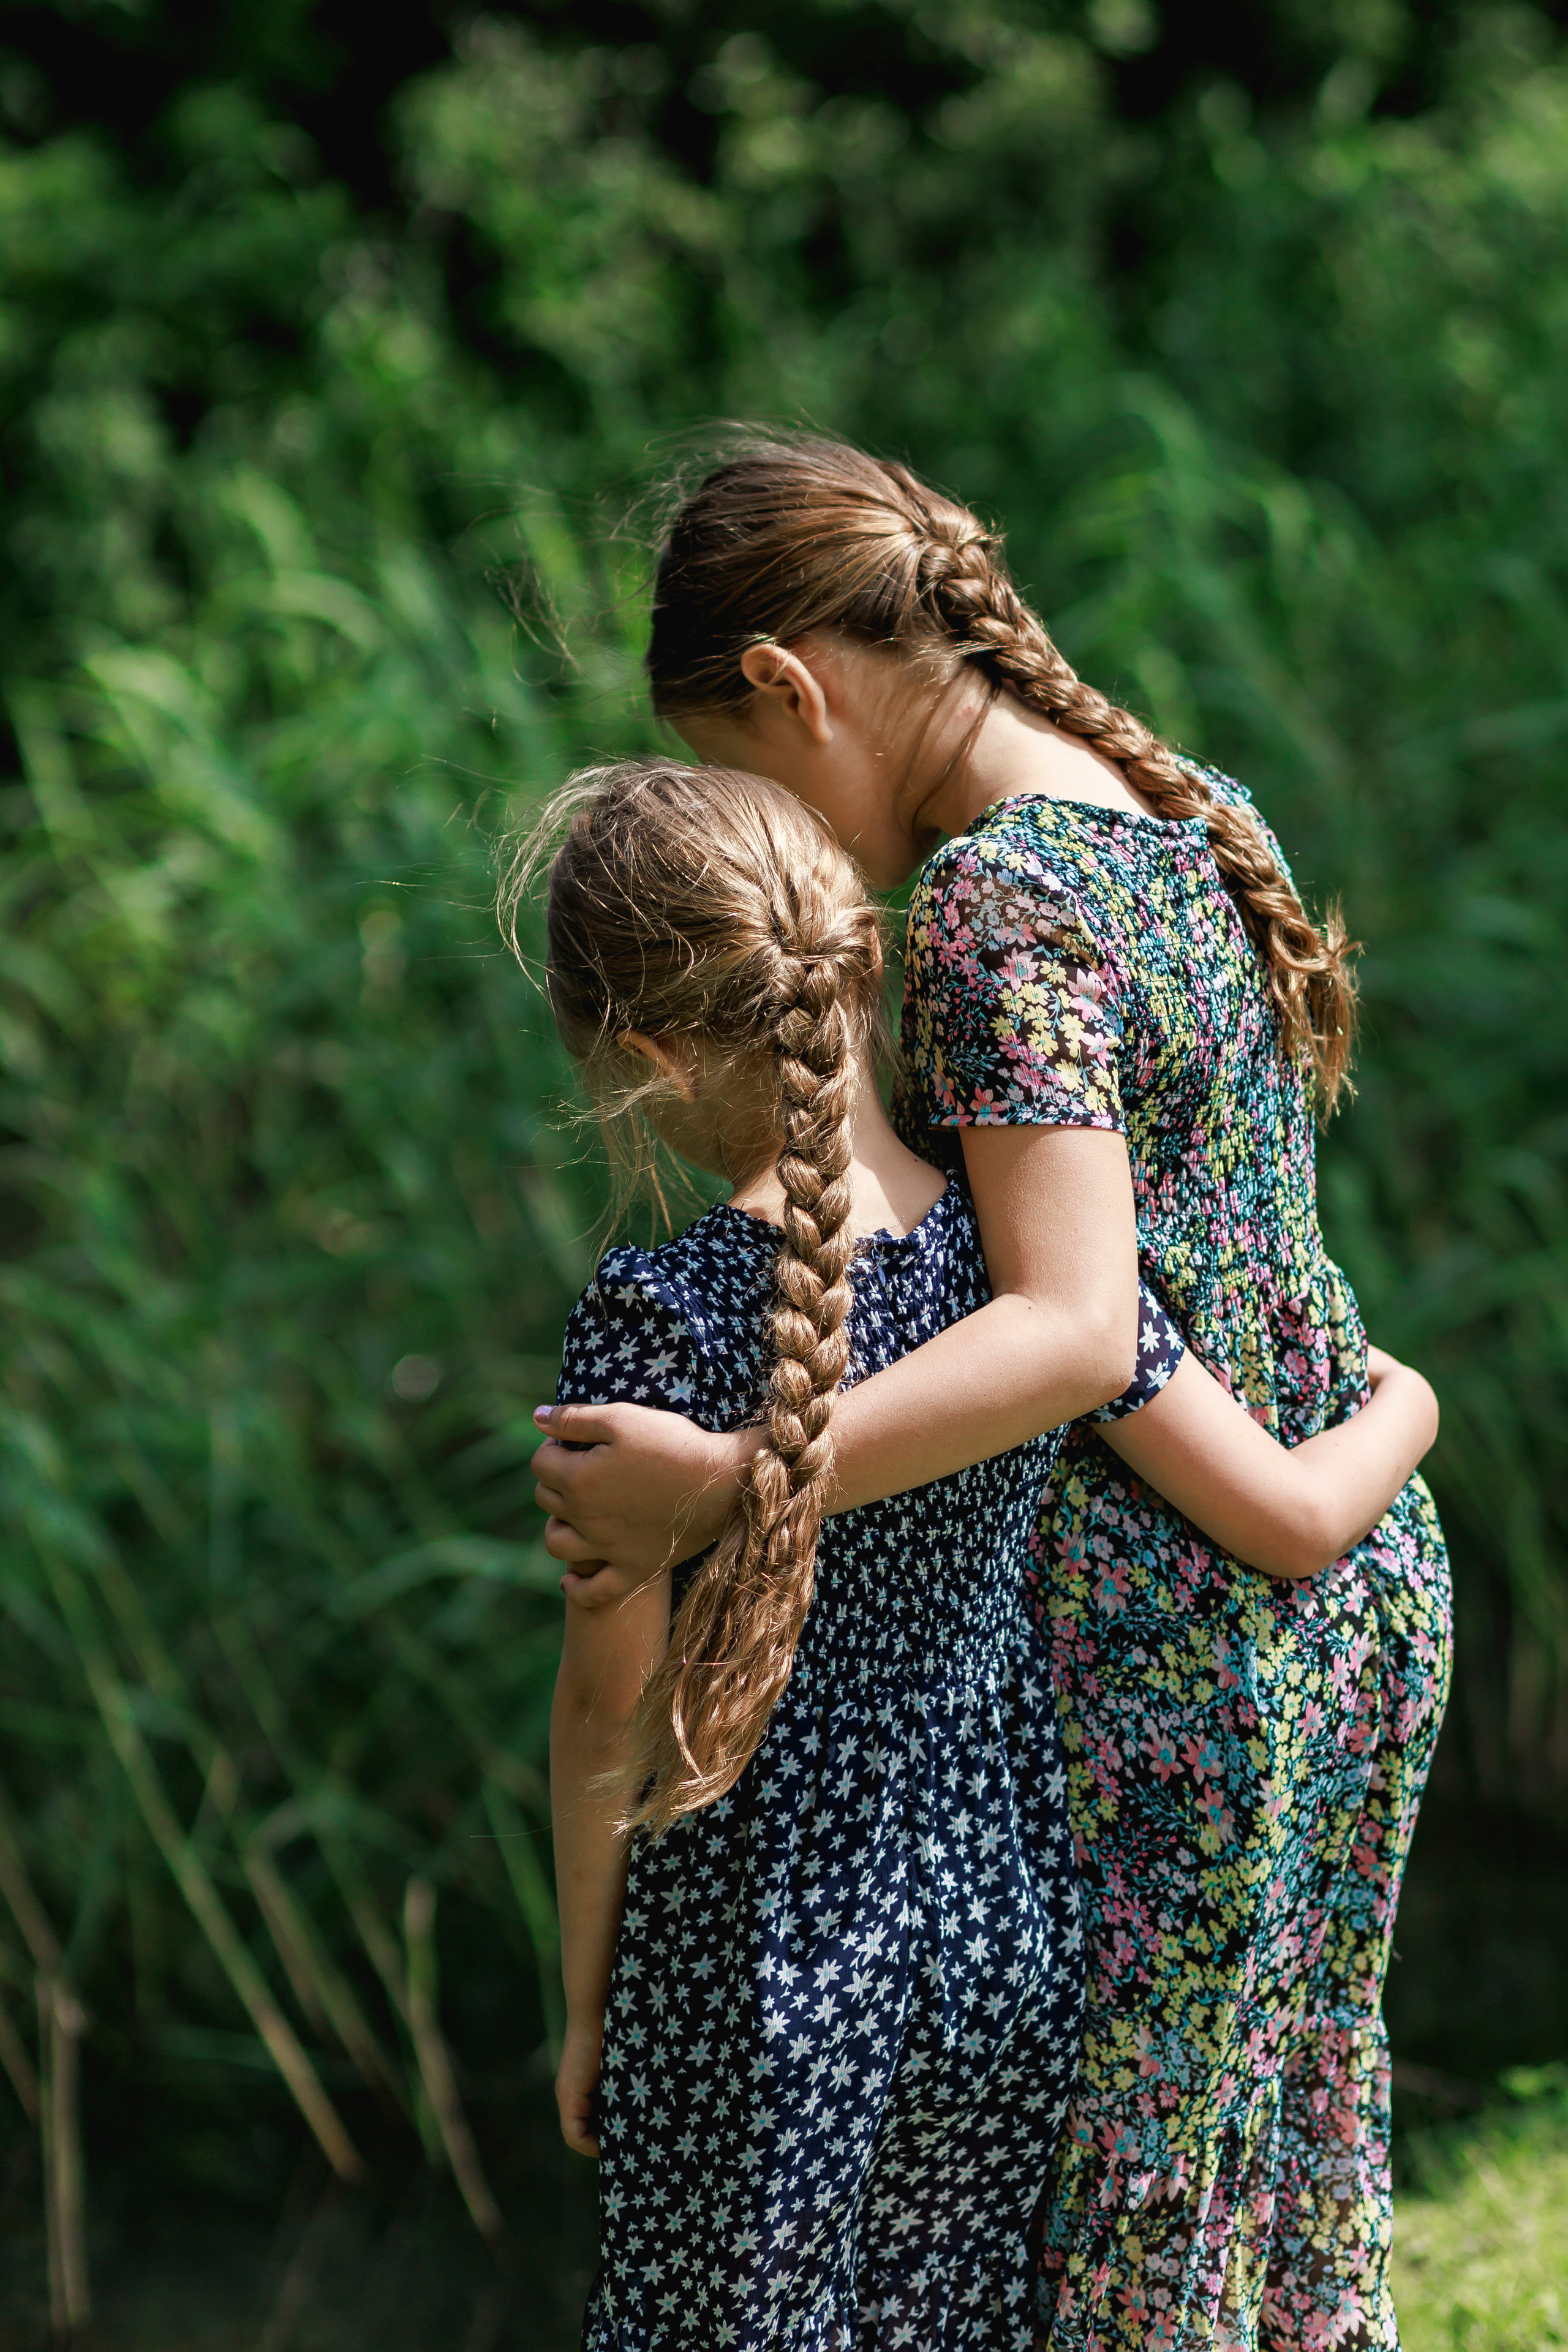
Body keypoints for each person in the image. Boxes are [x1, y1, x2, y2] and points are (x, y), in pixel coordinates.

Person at [530, 440, 1453, 2351]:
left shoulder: (987, 914)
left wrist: (725, 1487)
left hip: (1188, 1632)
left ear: (791, 684)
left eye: (737, 760)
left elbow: (1072, 1327)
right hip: (1356, 1582)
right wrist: (1391, 1429)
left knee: (1143, 2262)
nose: (771, 832)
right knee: (1287, 2196)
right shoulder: (1182, 807)